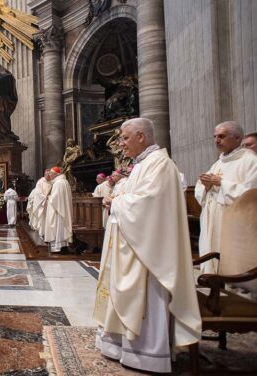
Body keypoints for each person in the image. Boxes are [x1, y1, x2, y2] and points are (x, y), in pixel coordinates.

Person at [94, 118, 201, 374]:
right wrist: (118, 200)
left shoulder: (160, 165)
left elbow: (148, 204)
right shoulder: (143, 164)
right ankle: (122, 346)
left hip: (148, 252)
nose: (121, 144)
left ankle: (147, 355)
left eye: (125, 138)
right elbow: (135, 197)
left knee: (146, 300)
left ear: (141, 136)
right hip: (134, 246)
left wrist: (116, 203)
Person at [195, 121, 257, 273]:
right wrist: (206, 186)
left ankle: (239, 282)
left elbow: (251, 193)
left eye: (221, 136)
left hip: (235, 220)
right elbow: (203, 190)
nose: (216, 140)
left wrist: (222, 183)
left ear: (237, 138)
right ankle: (215, 278)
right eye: (215, 136)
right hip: (213, 216)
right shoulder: (218, 163)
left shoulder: (250, 161)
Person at [43, 167, 73, 252]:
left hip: (57, 210)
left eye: (51, 173)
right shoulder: (64, 182)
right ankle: (63, 244)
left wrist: (49, 197)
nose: (50, 175)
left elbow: (55, 198)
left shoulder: (58, 183)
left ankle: (58, 246)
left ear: (56, 174)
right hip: (62, 209)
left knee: (57, 226)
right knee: (61, 226)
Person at [32, 169, 53, 235]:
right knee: (43, 218)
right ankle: (42, 232)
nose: (49, 176)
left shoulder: (52, 182)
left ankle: (49, 233)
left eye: (50, 175)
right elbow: (38, 193)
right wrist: (45, 197)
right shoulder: (40, 182)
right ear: (45, 175)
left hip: (50, 202)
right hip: (42, 203)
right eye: (48, 175)